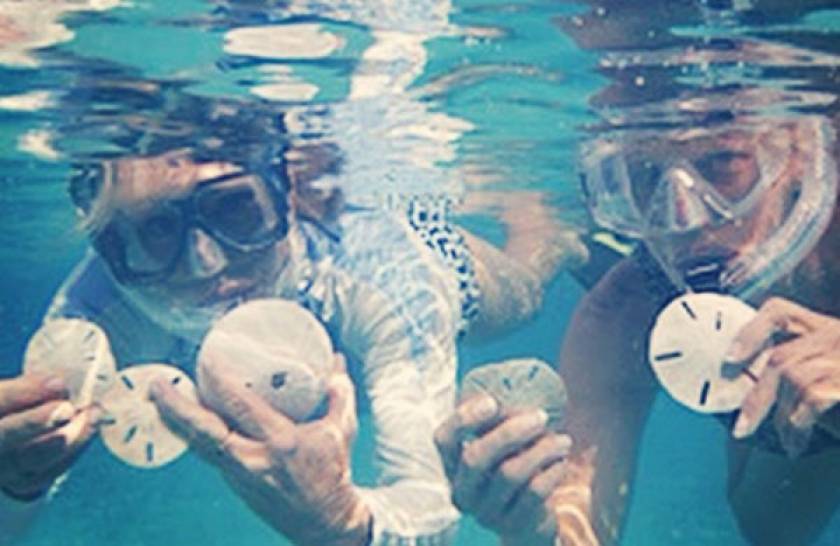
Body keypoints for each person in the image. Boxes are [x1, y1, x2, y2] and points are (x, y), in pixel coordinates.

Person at [0, 85, 586, 546]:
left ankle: (554, 237)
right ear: (110, 247)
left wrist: (344, 523)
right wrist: (14, 481)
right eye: (154, 228)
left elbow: (430, 507)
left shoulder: (387, 276)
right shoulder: (96, 311)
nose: (206, 262)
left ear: (289, 194)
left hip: (420, 259)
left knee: (525, 294)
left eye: (235, 209)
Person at [436, 109, 840, 545]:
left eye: (722, 162)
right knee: (770, 529)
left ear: (803, 150)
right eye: (644, 176)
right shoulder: (624, 312)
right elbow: (581, 522)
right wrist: (530, 529)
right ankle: (556, 247)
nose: (685, 219)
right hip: (630, 276)